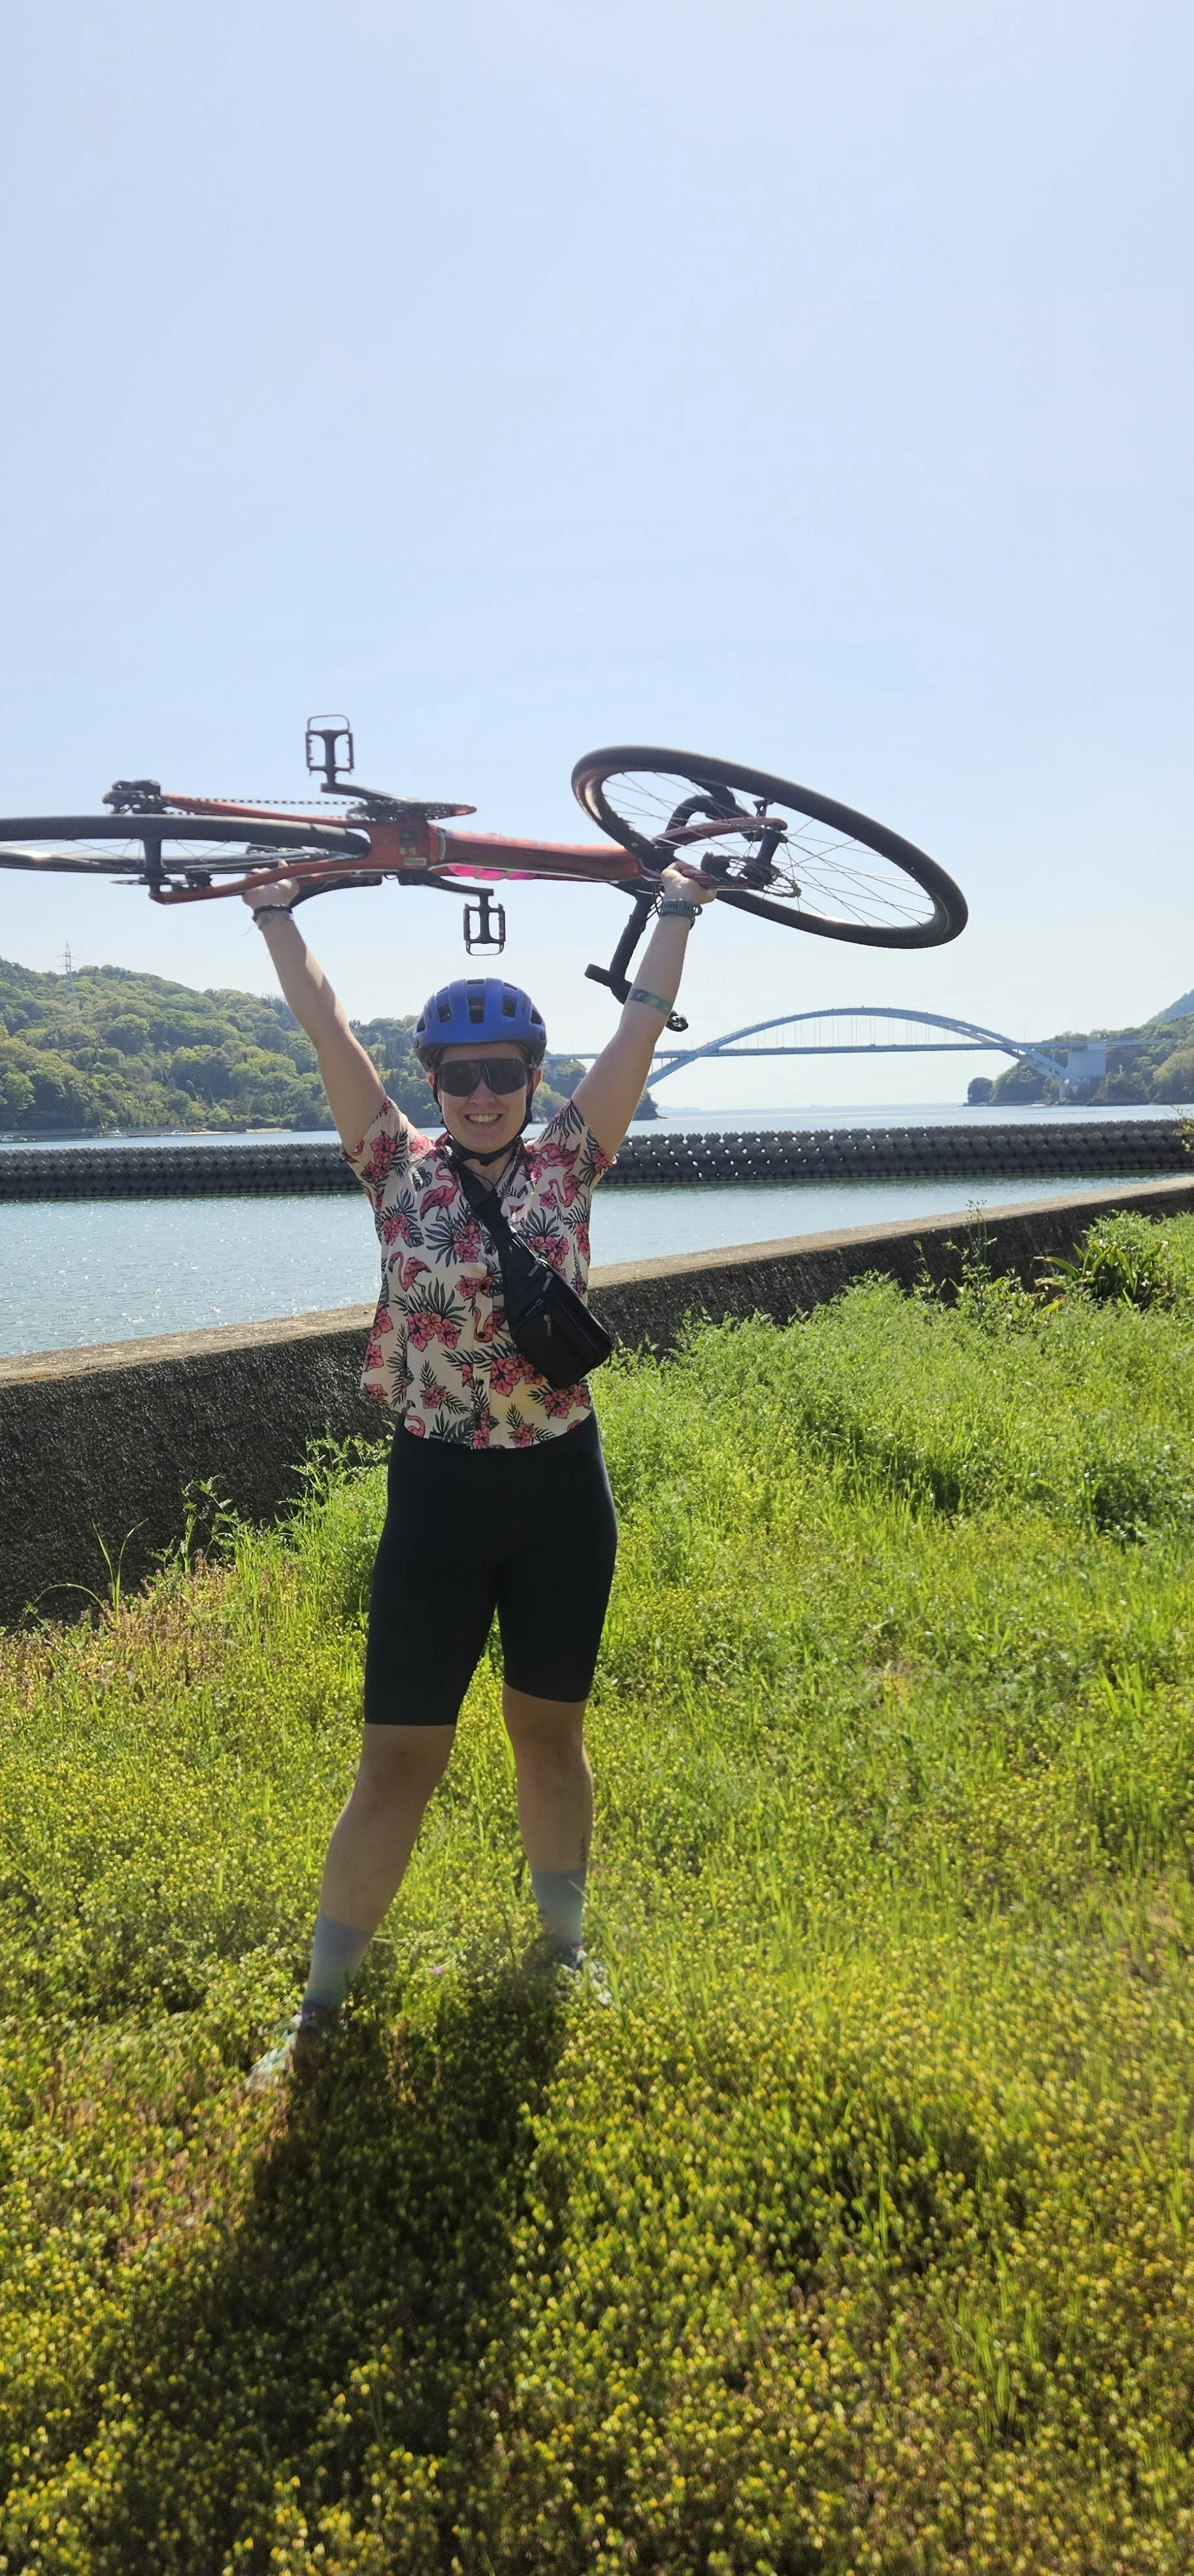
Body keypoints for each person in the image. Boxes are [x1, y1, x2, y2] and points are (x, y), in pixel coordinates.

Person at [246, 857, 713, 2086]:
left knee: (548, 1736)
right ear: (434, 1084)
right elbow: (323, 1020)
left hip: (562, 1492)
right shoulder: (392, 1165)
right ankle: (321, 2007)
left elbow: (643, 1024)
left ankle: (564, 1954)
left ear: (532, 1078)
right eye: (460, 1076)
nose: (485, 1094)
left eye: (506, 1073)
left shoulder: (571, 1161)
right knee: (399, 1754)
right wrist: (275, 912)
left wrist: (677, 909)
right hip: (438, 1496)